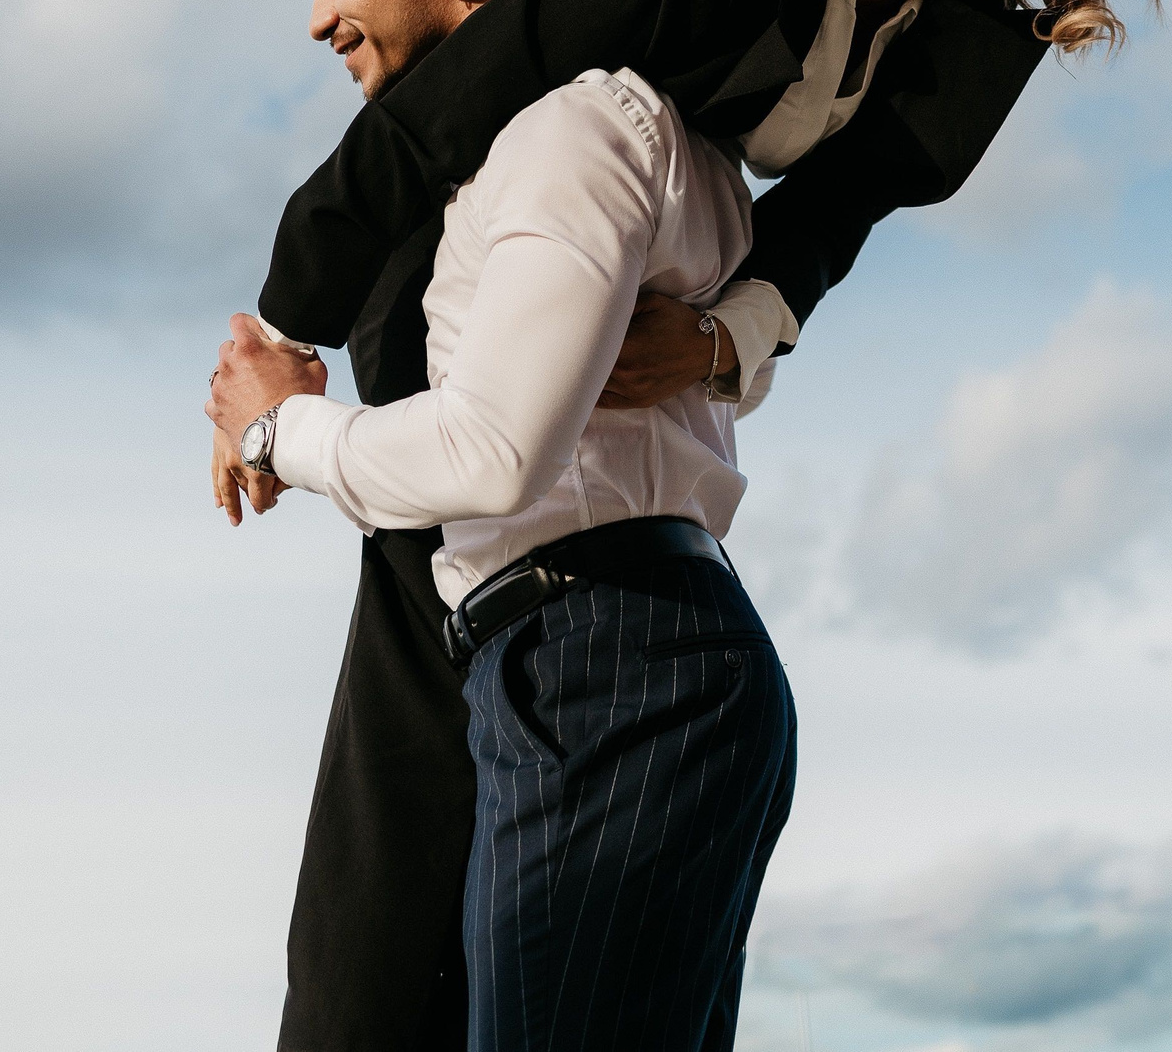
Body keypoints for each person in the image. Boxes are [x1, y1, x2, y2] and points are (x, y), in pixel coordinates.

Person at [219, 0, 1152, 1048]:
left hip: (601, 660)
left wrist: (721, 341)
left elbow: (832, 216)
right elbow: (429, 124)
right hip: (550, 657)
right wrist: (289, 315)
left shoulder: (645, 118)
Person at [213, 52, 792, 1049]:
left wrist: (282, 428)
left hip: (603, 646)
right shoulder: (554, 158)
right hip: (585, 650)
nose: (319, 19)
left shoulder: (567, 129)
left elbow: (490, 453)